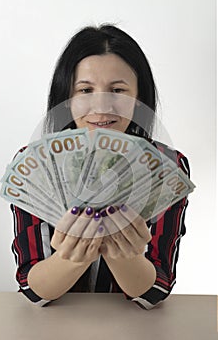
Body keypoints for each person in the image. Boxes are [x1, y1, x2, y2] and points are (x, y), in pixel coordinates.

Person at [11, 24, 190, 309]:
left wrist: (125, 255)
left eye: (118, 90)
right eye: (85, 90)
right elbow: (32, 288)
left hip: (135, 327)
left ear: (139, 98)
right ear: (67, 99)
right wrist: (72, 257)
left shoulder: (167, 166)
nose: (102, 105)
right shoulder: (37, 165)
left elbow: (157, 289)